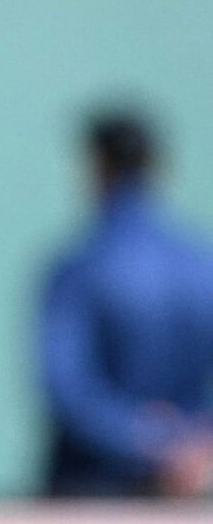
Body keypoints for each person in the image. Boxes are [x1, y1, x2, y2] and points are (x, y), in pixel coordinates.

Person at [40, 109, 213, 498]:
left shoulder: (80, 270)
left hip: (92, 491)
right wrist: (191, 446)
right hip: (186, 493)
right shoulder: (203, 265)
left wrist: (149, 440)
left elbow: (68, 391)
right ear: (155, 166)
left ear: (97, 167)